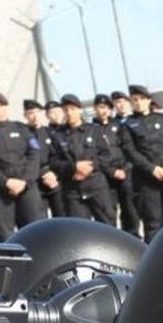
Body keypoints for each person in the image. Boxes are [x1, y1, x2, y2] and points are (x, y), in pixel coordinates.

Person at [119, 85, 163, 241]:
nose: (138, 102)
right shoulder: (127, 125)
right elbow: (130, 151)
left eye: (142, 99)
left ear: (149, 100)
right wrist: (152, 169)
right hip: (146, 180)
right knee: (153, 223)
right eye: (134, 100)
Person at [0, 91, 44, 240]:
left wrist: (24, 181)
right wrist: (6, 182)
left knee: (36, 232)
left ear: (7, 108)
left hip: (26, 188)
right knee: (6, 236)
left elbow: (34, 155)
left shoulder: (21, 129)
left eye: (0, 106)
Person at [47, 93, 121, 225]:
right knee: (80, 230)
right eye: (66, 110)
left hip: (96, 186)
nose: (69, 113)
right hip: (73, 190)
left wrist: (88, 168)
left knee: (108, 226)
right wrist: (74, 167)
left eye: (73, 109)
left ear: (80, 109)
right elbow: (53, 162)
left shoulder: (94, 131)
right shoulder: (58, 135)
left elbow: (106, 155)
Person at [23, 99, 67, 218]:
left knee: (62, 218)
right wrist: (43, 173)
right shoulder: (23, 134)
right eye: (30, 113)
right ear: (25, 115)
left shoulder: (50, 133)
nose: (34, 116)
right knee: (40, 221)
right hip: (35, 183)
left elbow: (59, 156)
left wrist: (54, 174)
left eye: (37, 112)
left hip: (54, 180)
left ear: (43, 114)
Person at [108, 91, 141, 233]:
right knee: (125, 212)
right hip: (117, 174)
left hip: (136, 170)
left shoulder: (136, 121)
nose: (121, 105)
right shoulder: (111, 125)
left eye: (123, 102)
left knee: (138, 209)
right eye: (117, 103)